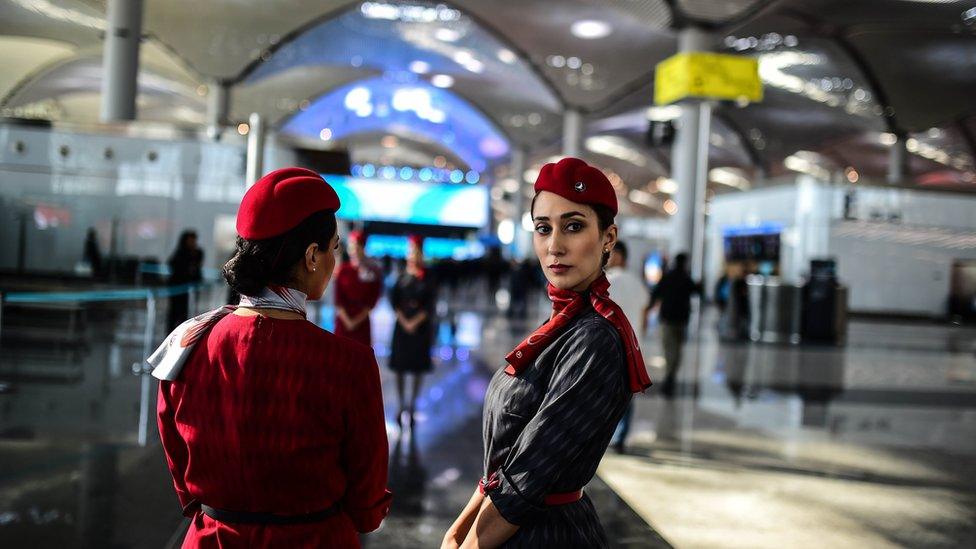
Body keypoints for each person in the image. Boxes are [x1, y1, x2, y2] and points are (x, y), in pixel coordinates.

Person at [149, 167, 391, 548]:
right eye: (334, 249)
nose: (334, 261)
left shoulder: (189, 343)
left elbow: (177, 459)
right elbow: (367, 498)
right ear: (312, 255)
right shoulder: (349, 363)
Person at [443, 157, 652, 549]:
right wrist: (457, 530)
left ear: (608, 238)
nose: (555, 245)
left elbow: (527, 476)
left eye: (573, 227)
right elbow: (503, 467)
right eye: (543, 229)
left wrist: (468, 543)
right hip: (510, 526)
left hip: (544, 534)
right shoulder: (561, 325)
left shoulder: (595, 340)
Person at [606, 240, 650, 454]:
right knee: (625, 395)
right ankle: (620, 437)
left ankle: (606, 436)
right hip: (633, 347)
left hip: (609, 346)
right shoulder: (638, 283)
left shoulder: (607, 281)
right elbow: (644, 317)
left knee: (604, 392)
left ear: (620, 256)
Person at [389, 234, 436, 428]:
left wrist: (415, 322)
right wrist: (404, 321)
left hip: (421, 329)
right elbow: (394, 301)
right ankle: (401, 406)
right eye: (411, 251)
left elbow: (430, 305)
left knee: (417, 368)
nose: (413, 255)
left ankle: (412, 406)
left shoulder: (428, 277)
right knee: (400, 367)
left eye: (416, 251)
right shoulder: (401, 276)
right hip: (402, 328)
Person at [649, 252, 702, 398]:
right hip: (681, 320)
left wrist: (649, 307)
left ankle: (669, 377)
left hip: (667, 319)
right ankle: (670, 376)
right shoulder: (686, 278)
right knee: (677, 350)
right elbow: (697, 291)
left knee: (669, 349)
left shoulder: (668, 276)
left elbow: (656, 293)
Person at [334, 230, 383, 346]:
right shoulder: (343, 270)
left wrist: (356, 321)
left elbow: (372, 300)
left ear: (363, 247)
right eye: (351, 246)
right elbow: (338, 298)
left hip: (361, 322)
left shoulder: (373, 271)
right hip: (344, 320)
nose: (354, 250)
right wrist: (347, 321)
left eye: (356, 246)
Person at [166, 229, 204, 332]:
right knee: (175, 312)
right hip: (177, 287)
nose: (193, 242)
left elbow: (197, 270)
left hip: (188, 288)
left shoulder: (197, 253)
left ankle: (183, 331)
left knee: (185, 312)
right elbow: (173, 265)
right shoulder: (180, 253)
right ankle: (171, 332)